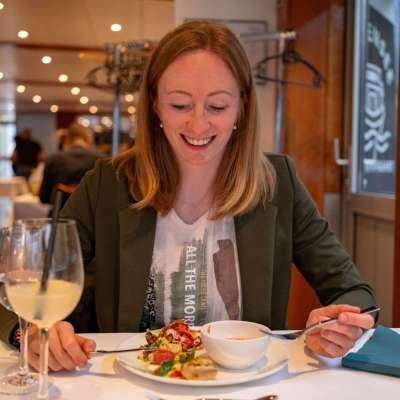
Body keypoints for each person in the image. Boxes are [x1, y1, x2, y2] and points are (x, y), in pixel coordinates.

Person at [0, 20, 376, 372]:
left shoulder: (279, 183)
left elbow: (355, 292)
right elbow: (15, 287)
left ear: (242, 106)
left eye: (217, 106)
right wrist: (27, 333)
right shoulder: (107, 184)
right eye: (180, 105)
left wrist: (342, 325)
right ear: (154, 104)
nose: (198, 124)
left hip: (246, 386)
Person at [39, 123, 105, 207]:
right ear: (88, 139)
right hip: (91, 214)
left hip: (60, 212)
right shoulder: (101, 160)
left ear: (67, 139)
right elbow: (105, 195)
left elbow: (44, 197)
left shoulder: (53, 159)